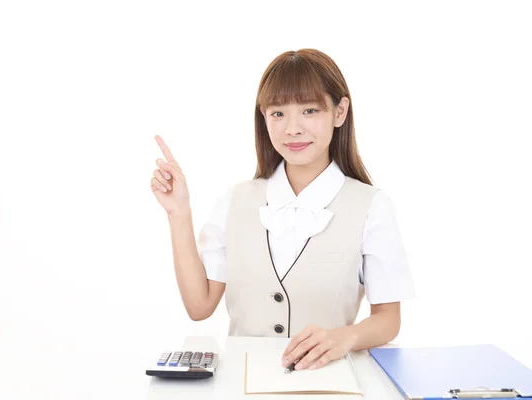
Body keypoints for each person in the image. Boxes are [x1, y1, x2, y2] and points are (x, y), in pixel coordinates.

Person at [149, 48, 415, 371]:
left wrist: (345, 337)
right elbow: (199, 305)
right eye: (278, 114)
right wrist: (179, 213)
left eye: (309, 111)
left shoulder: (371, 206)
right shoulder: (235, 200)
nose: (292, 129)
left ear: (340, 111)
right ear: (264, 116)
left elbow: (388, 319)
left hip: (328, 385)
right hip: (241, 386)